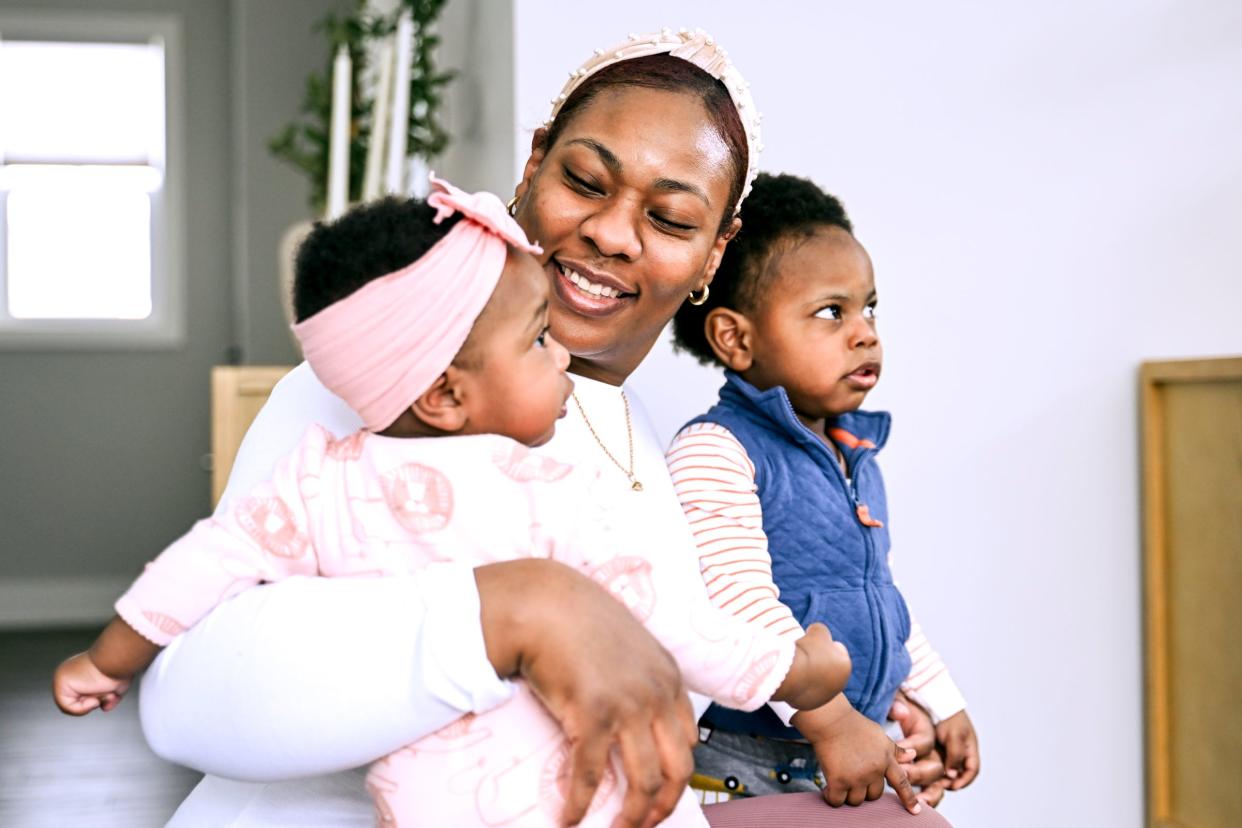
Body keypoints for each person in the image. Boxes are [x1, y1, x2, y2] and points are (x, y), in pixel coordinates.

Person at [138, 29, 955, 827]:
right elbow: (186, 701)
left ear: (714, 256)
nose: (610, 231)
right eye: (585, 181)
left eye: (671, 220)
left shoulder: (655, 453)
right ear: (533, 165)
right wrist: (508, 611)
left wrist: (882, 705)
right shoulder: (401, 396)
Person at [53, 178, 852, 827]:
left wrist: (106, 659)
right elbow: (670, 627)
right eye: (540, 339)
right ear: (444, 394)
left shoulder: (318, 476)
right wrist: (798, 671)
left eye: (672, 214)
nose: (563, 352)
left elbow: (200, 566)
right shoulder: (547, 491)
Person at [667, 173, 981, 809]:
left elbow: (878, 596)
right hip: (759, 766)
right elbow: (739, 609)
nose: (864, 331)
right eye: (831, 312)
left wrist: (940, 700)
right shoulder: (717, 451)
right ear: (736, 338)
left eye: (869, 307)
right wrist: (833, 721)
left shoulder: (853, 454)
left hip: (854, 748)